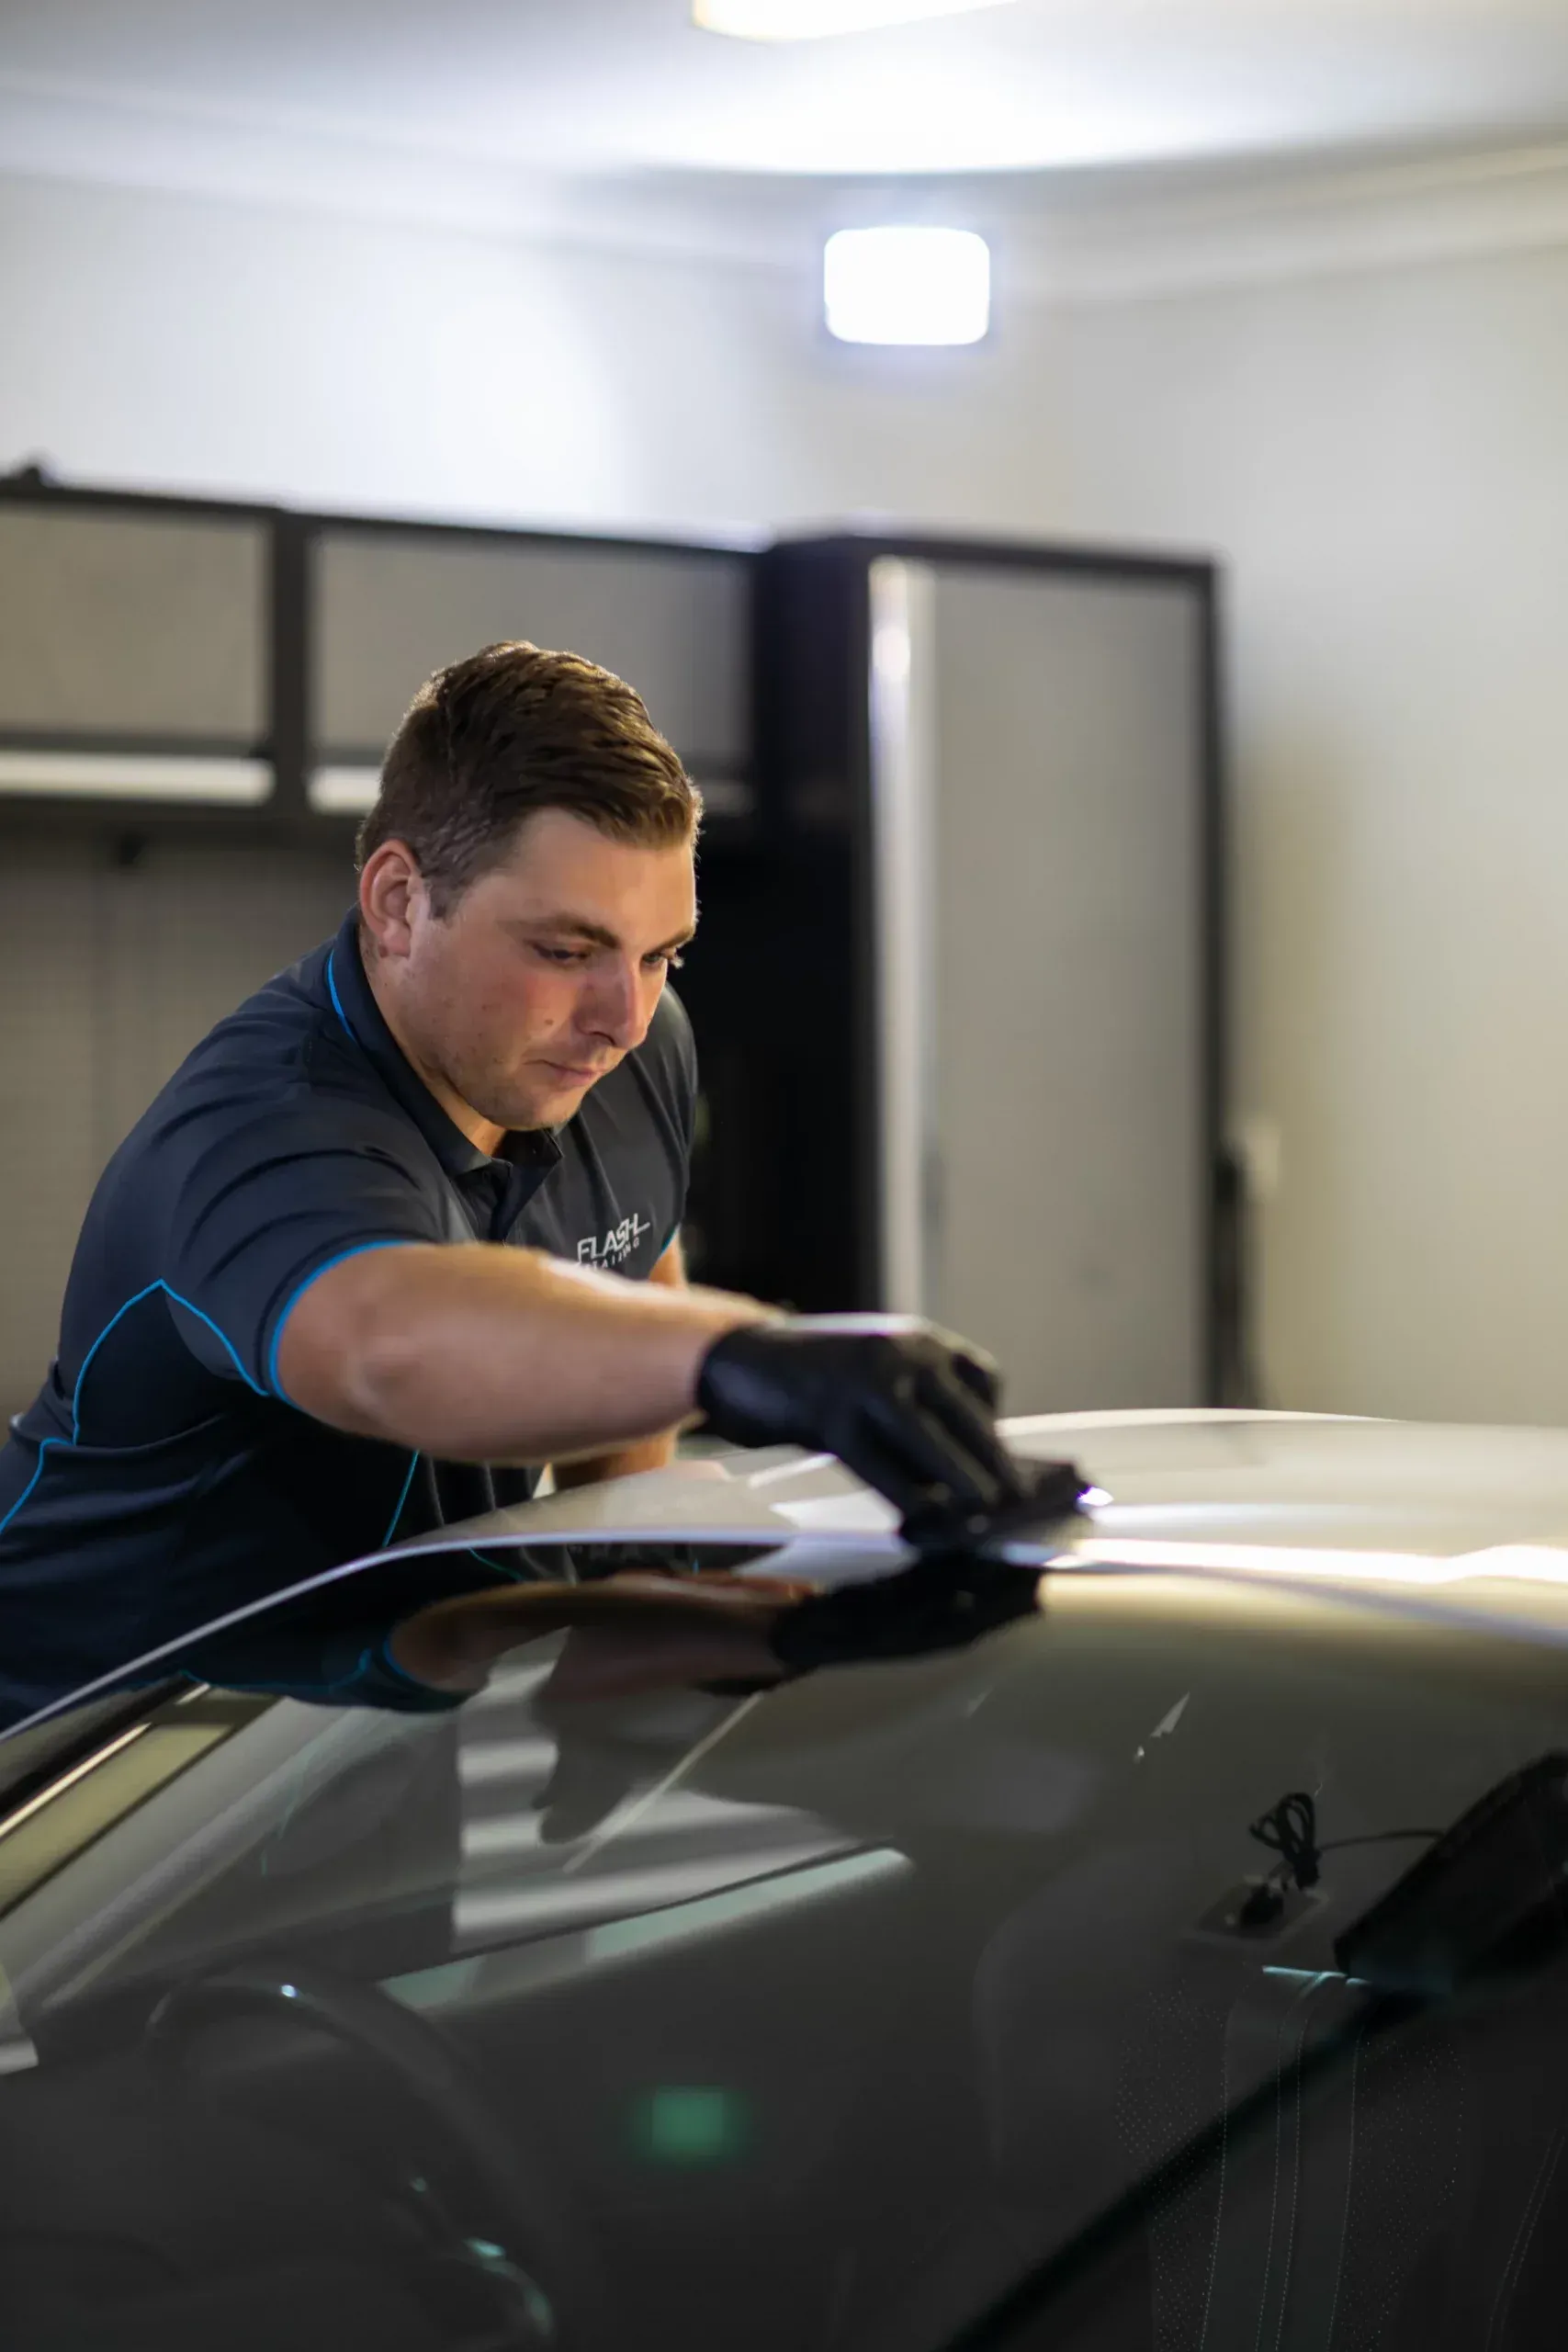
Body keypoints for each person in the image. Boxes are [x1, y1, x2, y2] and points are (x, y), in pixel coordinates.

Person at [0, 639, 1030, 1721]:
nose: (622, 1018)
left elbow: (630, 1258)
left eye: (659, 953)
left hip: (370, 1742)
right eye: (565, 948)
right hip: (93, 1787)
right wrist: (746, 1357)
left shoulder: (625, 1050)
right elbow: (387, 1345)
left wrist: (640, 1556)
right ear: (399, 902)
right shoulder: (262, 1129)